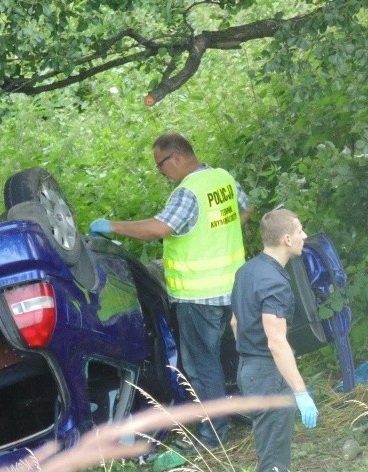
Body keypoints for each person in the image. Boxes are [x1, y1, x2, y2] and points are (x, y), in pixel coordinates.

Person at [89, 132, 253, 448]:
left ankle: (213, 436)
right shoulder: (221, 179)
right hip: (232, 287)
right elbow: (245, 210)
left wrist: (111, 226)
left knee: (202, 366)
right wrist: (217, 236)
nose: (161, 173)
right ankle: (248, 408)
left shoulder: (187, 192)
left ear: (175, 157)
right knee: (225, 355)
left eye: (160, 165)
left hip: (199, 296)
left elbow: (158, 229)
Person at [230, 208, 318, 472]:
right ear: (287, 238)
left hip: (249, 369)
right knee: (274, 460)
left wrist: (249, 359)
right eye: (300, 230)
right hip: (267, 375)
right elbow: (277, 342)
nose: (305, 236)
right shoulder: (275, 283)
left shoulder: (247, 271)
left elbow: (235, 323)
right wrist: (300, 391)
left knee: (269, 449)